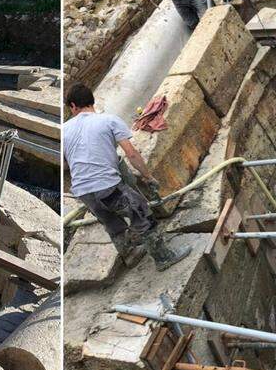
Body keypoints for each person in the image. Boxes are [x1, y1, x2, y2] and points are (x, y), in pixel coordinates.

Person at [63, 83, 190, 270]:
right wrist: (148, 176)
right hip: (107, 187)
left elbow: (66, 163)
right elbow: (131, 153)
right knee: (141, 213)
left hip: (83, 192)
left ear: (73, 106)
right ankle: (163, 258)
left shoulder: (64, 129)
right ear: (92, 101)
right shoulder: (108, 120)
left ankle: (130, 256)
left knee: (112, 224)